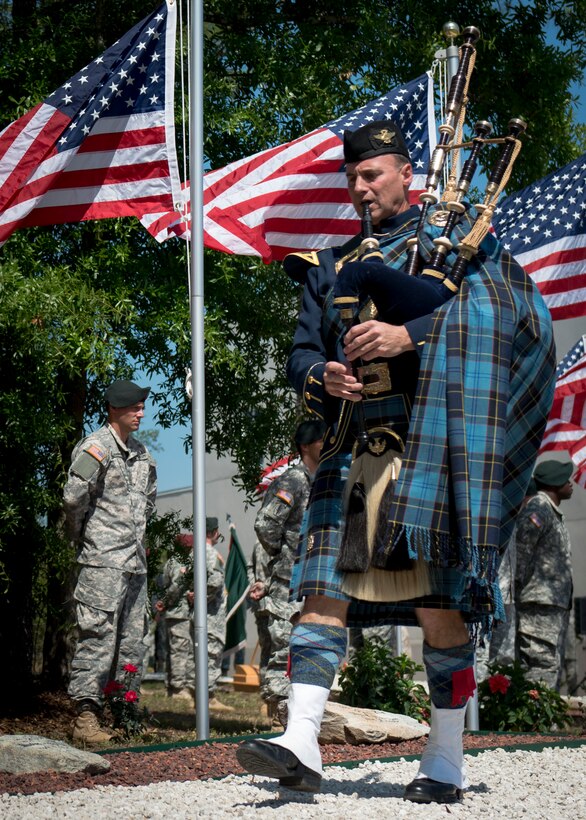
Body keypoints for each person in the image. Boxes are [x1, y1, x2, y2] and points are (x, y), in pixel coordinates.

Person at [236, 119, 556, 802]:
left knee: (439, 611)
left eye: (371, 174)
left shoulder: (457, 246)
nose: (359, 187)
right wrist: (322, 373)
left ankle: (444, 757)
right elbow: (299, 352)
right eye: (352, 177)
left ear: (406, 173)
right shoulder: (333, 266)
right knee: (324, 595)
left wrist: (406, 334)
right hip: (356, 457)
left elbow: (507, 318)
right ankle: (301, 740)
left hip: (432, 451)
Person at [63, 379, 157, 743]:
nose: (141, 413)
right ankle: (85, 719)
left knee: (132, 640)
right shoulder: (96, 447)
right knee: (97, 636)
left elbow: (147, 502)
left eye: (141, 407)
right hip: (102, 562)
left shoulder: (142, 454)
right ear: (116, 409)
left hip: (134, 564)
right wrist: (85, 536)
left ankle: (124, 711)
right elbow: (73, 499)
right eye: (135, 407)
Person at [254, 420, 326, 728]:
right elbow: (265, 525)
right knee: (282, 646)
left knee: (308, 644)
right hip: (287, 579)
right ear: (307, 446)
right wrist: (280, 554)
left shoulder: (320, 480)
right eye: (323, 440)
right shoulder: (293, 480)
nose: (328, 445)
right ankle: (278, 717)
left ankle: (300, 715)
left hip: (312, 579)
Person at [156, 520, 235, 712]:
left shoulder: (192, 554)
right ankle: (206, 697)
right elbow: (215, 582)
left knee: (195, 654)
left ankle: (194, 693)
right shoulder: (209, 553)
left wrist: (194, 595)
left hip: (194, 614)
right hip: (210, 615)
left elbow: (182, 581)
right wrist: (202, 597)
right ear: (215, 532)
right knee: (209, 654)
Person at [515, 460, 575, 691]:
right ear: (554, 483)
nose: (570, 484)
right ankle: (535, 720)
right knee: (539, 664)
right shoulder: (539, 509)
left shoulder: (549, 510)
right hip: (538, 604)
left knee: (548, 663)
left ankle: (541, 719)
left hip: (551, 604)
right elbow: (522, 551)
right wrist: (520, 587)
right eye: (565, 479)